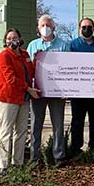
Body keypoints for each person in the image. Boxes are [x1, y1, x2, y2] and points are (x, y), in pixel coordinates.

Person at [27, 14, 70, 166]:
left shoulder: (63, 45)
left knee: (58, 124)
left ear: (54, 27)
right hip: (37, 91)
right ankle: (34, 157)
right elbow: (28, 68)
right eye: (42, 26)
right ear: (38, 29)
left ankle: (59, 156)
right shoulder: (32, 45)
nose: (46, 28)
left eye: (48, 25)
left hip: (57, 92)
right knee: (35, 125)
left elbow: (69, 69)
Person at [0, 28, 39, 176]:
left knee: (20, 132)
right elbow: (10, 78)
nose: (12, 40)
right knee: (6, 132)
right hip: (8, 98)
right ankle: (3, 166)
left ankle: (18, 163)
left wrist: (37, 59)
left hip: (24, 98)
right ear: (5, 41)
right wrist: (28, 88)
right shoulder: (4, 56)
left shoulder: (25, 55)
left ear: (20, 39)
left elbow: (31, 72)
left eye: (14, 37)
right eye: (9, 38)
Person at [69, 17, 94, 155]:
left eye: (89, 27)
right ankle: (76, 149)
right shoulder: (72, 45)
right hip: (78, 93)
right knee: (77, 122)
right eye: (84, 27)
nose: (86, 29)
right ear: (79, 28)